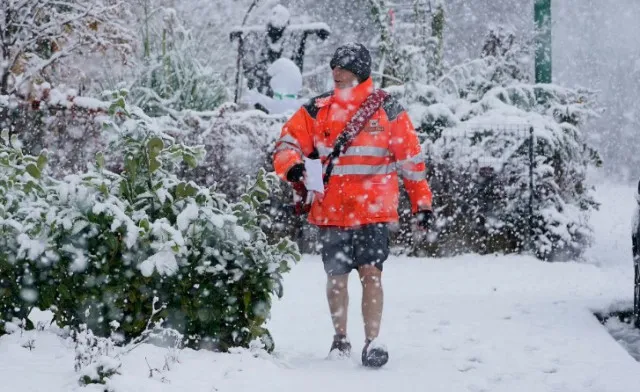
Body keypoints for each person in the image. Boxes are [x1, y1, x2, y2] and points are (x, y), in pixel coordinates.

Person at [272, 42, 434, 368]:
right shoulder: (317, 109)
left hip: (372, 212)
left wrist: (422, 203)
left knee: (371, 274)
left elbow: (411, 162)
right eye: (334, 66)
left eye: (343, 67)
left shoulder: (388, 111)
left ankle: (373, 342)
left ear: (359, 72)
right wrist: (291, 165)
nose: (336, 72)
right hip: (332, 211)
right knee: (337, 277)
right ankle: (340, 339)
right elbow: (287, 142)